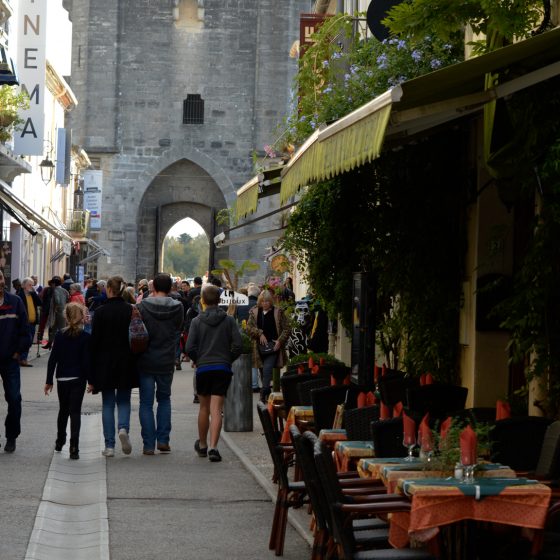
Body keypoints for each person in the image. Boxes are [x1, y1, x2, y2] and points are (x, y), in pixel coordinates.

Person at [185, 284, 243, 462]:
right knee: (216, 409)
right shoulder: (229, 320)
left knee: (204, 408)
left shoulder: (196, 321)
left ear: (202, 300)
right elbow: (238, 345)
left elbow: (189, 347)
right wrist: (228, 358)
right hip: (222, 368)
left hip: (204, 368)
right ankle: (213, 447)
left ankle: (202, 444)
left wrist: (198, 359)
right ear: (219, 300)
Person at [90, 276, 138, 457]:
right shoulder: (130, 309)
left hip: (105, 362)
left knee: (108, 403)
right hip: (127, 360)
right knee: (124, 400)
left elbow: (94, 341)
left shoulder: (101, 312)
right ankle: (123, 428)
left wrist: (92, 369)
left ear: (109, 289)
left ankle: (109, 446)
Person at [136, 273, 184, 455]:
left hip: (146, 359)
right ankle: (163, 440)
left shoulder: (142, 306)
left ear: (153, 287)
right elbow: (179, 328)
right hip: (166, 359)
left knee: (146, 403)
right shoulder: (178, 307)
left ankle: (148, 444)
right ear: (171, 288)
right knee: (164, 399)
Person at [44, 303, 93, 460]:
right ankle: (74, 447)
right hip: (78, 378)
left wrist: (49, 380)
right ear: (81, 318)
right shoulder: (86, 337)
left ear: (66, 317)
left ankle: (59, 441)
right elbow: (87, 362)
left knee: (63, 410)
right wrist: (91, 381)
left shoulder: (59, 335)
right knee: (75, 412)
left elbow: (53, 359)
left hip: (62, 378)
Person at [0, 270, 30, 453]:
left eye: (1, 278)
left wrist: (19, 352)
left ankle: (11, 436)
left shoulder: (15, 302)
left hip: (10, 359)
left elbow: (25, 330)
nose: (0, 282)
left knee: (13, 398)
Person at [247, 290, 290, 403]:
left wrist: (280, 341)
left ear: (271, 301)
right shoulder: (254, 312)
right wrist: (259, 333)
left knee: (267, 369)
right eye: (263, 301)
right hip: (259, 349)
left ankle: (263, 393)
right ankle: (268, 394)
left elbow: (287, 328)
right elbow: (249, 328)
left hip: (273, 347)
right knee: (263, 372)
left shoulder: (278, 312)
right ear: (260, 301)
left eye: (267, 301)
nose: (265, 303)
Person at [17, 277, 42, 367]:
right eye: (29, 285)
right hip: (24, 323)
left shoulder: (32, 295)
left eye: (32, 285)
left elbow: (40, 303)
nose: (31, 287)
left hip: (32, 322)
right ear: (23, 285)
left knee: (30, 341)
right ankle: (22, 359)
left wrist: (34, 293)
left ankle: (23, 358)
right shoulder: (19, 295)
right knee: (25, 341)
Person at [184, 294, 202, 403]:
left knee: (197, 372)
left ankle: (196, 394)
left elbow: (187, 328)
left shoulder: (191, 312)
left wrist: (194, 357)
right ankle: (197, 393)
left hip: (196, 348)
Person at [44, 276, 70, 350]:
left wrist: (56, 307)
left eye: (52, 284)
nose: (51, 285)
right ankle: (50, 343)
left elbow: (57, 301)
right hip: (63, 312)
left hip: (58, 312)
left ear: (54, 284)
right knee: (54, 328)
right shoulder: (65, 290)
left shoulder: (55, 290)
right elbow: (68, 299)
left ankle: (64, 345)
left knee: (61, 329)